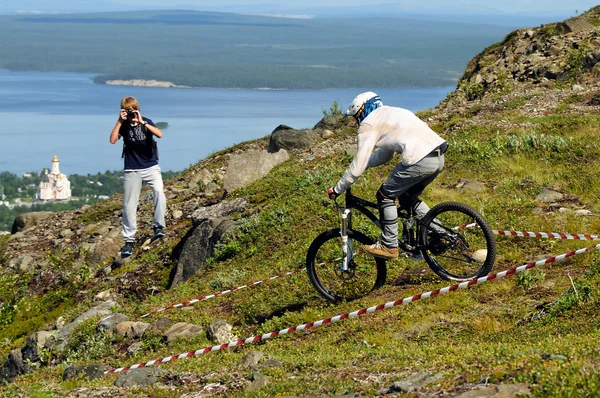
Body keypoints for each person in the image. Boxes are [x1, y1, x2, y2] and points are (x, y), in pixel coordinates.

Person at [328, 92, 447, 260]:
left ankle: (389, 245)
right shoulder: (393, 113)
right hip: (438, 157)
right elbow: (386, 154)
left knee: (385, 195)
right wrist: (368, 164)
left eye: (356, 117)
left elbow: (357, 166)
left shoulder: (369, 124)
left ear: (362, 110)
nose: (357, 121)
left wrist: (337, 189)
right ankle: (440, 234)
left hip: (418, 159)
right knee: (407, 198)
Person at [109, 96, 167, 258]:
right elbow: (113, 140)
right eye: (128, 110)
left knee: (159, 193)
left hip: (151, 166)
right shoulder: (123, 125)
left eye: (133, 109)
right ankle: (129, 240)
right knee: (129, 204)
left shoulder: (146, 121)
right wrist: (119, 121)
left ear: (138, 108)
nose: (131, 113)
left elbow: (160, 134)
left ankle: (158, 227)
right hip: (132, 169)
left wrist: (142, 122)